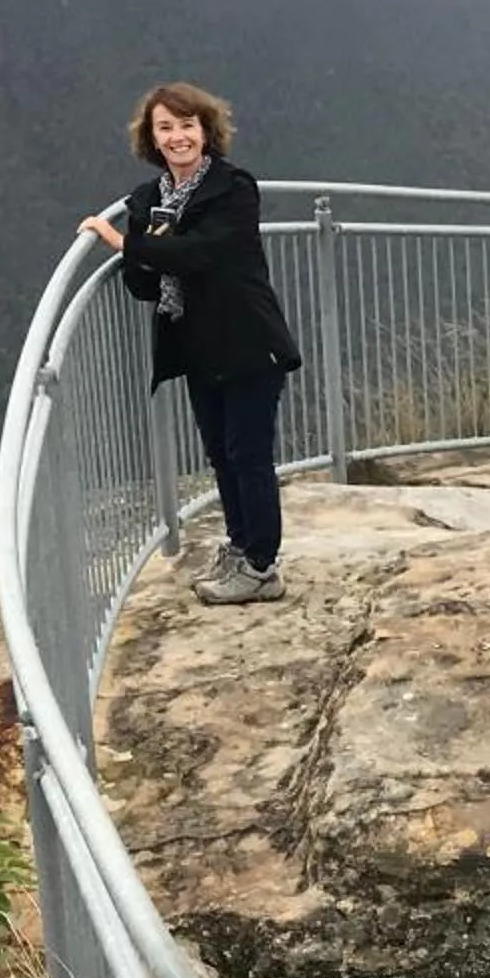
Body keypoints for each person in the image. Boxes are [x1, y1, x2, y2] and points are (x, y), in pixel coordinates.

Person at [81, 82, 303, 605]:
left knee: (248, 456)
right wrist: (143, 250)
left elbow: (203, 255)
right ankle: (241, 546)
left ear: (206, 131)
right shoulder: (147, 201)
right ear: (152, 139)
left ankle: (262, 568)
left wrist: (125, 243)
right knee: (222, 457)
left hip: (249, 343)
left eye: (187, 125)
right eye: (166, 127)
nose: (178, 136)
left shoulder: (233, 190)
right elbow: (142, 284)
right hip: (200, 350)